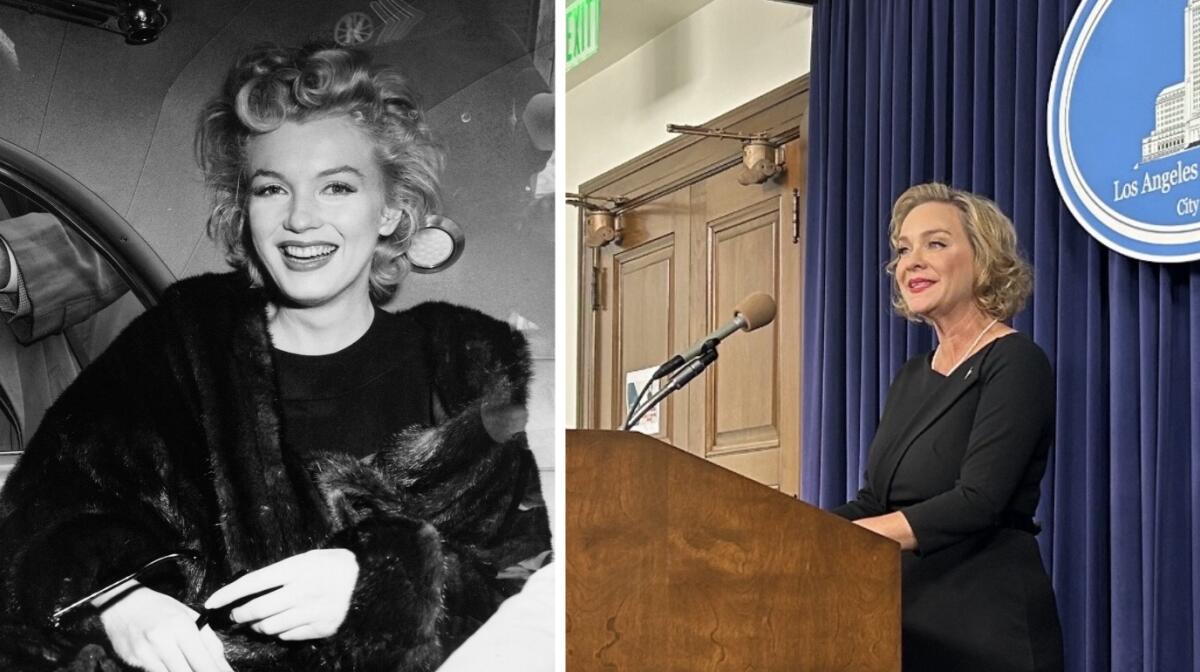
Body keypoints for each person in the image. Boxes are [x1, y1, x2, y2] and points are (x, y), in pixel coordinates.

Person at [0, 43, 550, 672]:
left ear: (392, 210)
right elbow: (36, 530)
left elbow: (515, 574)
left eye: (337, 186)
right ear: (245, 211)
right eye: (271, 189)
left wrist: (376, 579)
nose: (300, 219)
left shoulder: (466, 367)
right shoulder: (174, 354)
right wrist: (115, 598)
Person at [833, 183, 1063, 672]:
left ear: (983, 260)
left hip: (986, 628)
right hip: (903, 623)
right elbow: (875, 500)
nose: (911, 261)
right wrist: (797, 533)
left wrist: (842, 542)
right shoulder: (910, 376)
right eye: (902, 250)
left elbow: (978, 500)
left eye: (935, 243)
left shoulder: (1016, 362)